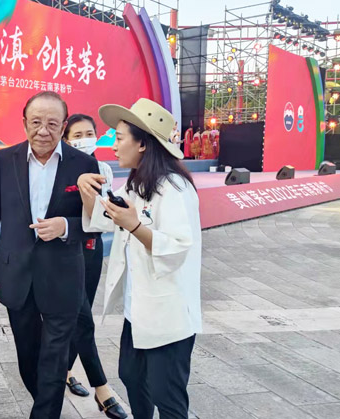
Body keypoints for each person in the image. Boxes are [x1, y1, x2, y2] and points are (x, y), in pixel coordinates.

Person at [77, 98, 202, 419]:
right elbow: (104, 219)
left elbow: (177, 247)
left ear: (143, 144)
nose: (113, 145)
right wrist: (85, 190)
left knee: (167, 394)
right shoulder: (137, 185)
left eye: (120, 138)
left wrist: (134, 225)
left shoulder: (174, 188)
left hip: (169, 315)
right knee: (132, 376)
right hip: (140, 310)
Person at [0, 91, 99, 418]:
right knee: (29, 358)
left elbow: (96, 223)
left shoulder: (84, 164)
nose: (43, 131)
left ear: (63, 126)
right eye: (36, 122)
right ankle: (46, 404)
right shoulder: (4, 160)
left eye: (52, 124)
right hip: (16, 275)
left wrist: (66, 226)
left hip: (63, 276)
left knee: (55, 359)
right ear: (24, 123)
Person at [61, 115, 127, 419]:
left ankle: (65, 370)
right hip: (67, 249)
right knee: (83, 319)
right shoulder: (61, 169)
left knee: (82, 313)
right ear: (66, 139)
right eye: (77, 135)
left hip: (93, 247)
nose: (84, 139)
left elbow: (103, 216)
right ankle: (102, 388)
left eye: (89, 133)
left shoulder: (103, 169)